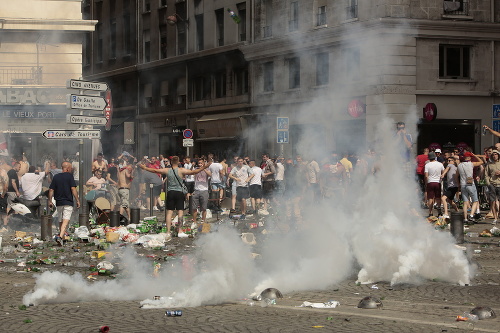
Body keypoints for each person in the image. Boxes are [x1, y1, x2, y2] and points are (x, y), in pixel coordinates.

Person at [140, 156, 210, 237]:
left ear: (171, 162)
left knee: (169, 212)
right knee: (180, 212)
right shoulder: (181, 170)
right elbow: (194, 172)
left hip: (170, 192)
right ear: (178, 162)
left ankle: (168, 232)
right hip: (179, 192)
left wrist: (144, 168)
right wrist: (205, 166)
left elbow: (155, 170)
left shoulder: (167, 170)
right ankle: (180, 231)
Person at [48, 161, 80, 246]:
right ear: (68, 168)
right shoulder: (70, 176)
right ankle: (61, 236)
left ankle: (61, 234)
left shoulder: (56, 177)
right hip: (68, 201)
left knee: (60, 219)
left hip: (58, 202)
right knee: (65, 220)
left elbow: (51, 190)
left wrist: (50, 201)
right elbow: (73, 189)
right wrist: (77, 200)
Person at [457, 151, 484, 223]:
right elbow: (481, 162)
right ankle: (471, 215)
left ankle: (465, 218)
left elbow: (457, 175)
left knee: (465, 202)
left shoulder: (459, 165)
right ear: (469, 157)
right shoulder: (471, 164)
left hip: (463, 184)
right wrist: (475, 155)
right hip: (470, 183)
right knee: (475, 200)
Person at [191, 159, 212, 224]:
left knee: (204, 208)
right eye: (199, 163)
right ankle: (194, 221)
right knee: (194, 207)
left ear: (203, 164)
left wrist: (204, 168)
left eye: (201, 163)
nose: (200, 164)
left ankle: (203, 220)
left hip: (204, 190)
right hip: (196, 190)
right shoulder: (196, 169)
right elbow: (192, 172)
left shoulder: (207, 169)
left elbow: (210, 175)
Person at [424, 151, 444, 217]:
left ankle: (430, 212)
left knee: (430, 198)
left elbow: (426, 175)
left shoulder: (427, 165)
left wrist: (426, 183)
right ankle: (439, 211)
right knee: (438, 197)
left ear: (429, 158)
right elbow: (443, 173)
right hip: (438, 182)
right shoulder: (440, 164)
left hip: (430, 182)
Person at [484, 150, 500, 224]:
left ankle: (498, 214)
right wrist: (488, 183)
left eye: (496, 154)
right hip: (492, 184)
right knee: (492, 201)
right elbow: (486, 175)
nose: (494, 156)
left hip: (499, 183)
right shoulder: (489, 164)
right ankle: (495, 218)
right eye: (493, 155)